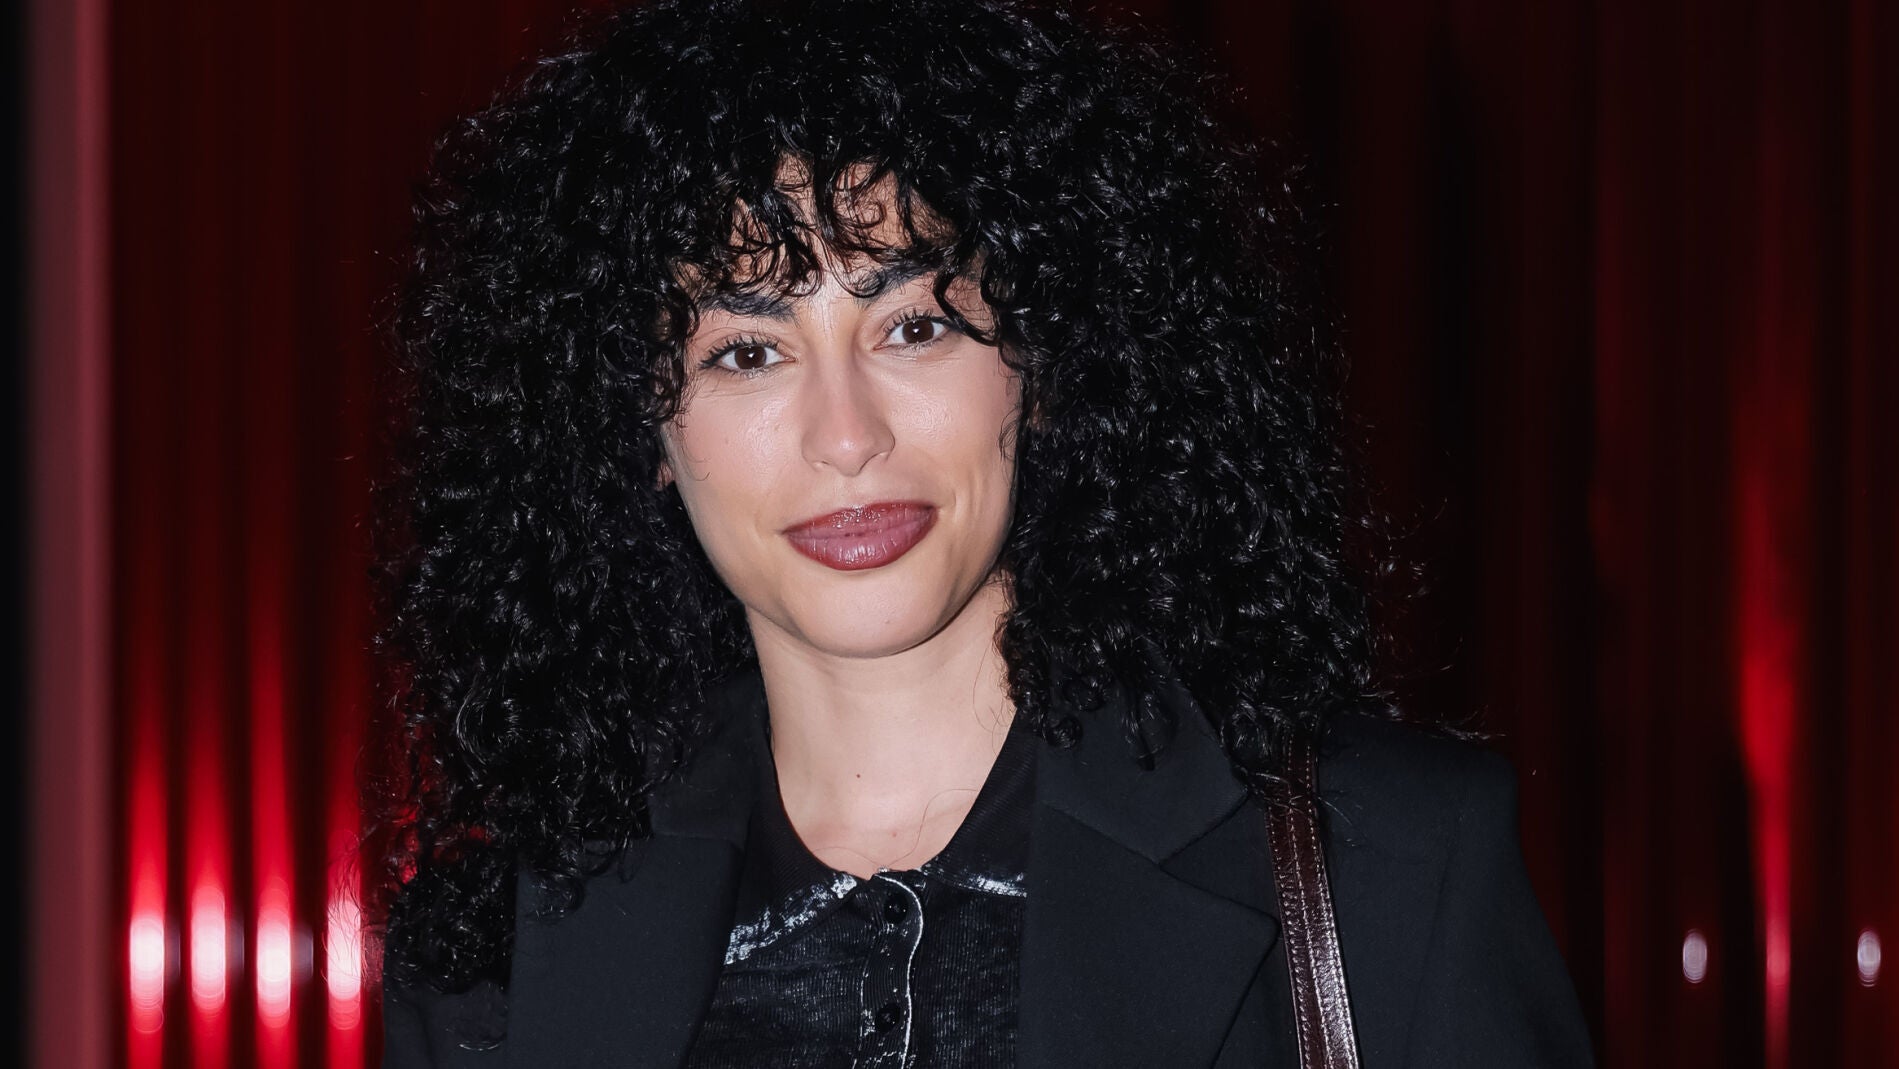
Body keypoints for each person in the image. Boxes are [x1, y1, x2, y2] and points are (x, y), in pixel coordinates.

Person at [367, 0, 1596, 1065]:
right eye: (747, 352)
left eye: (914, 327)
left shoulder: (1395, 863)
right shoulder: (494, 961)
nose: (846, 437)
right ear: (636, 422)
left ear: (1045, 359)